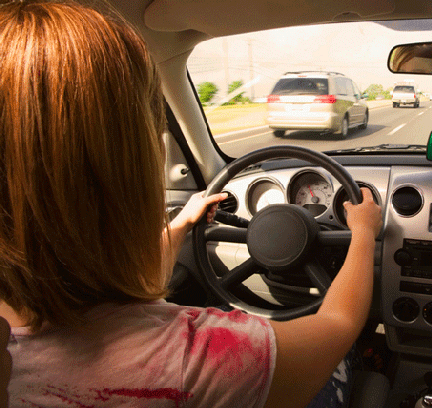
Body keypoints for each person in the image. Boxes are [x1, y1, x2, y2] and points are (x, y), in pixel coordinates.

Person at [0, 1, 382, 407]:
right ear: (132, 170)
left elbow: (125, 279)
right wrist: (361, 233)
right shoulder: (202, 358)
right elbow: (337, 323)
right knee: (345, 359)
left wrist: (181, 224)